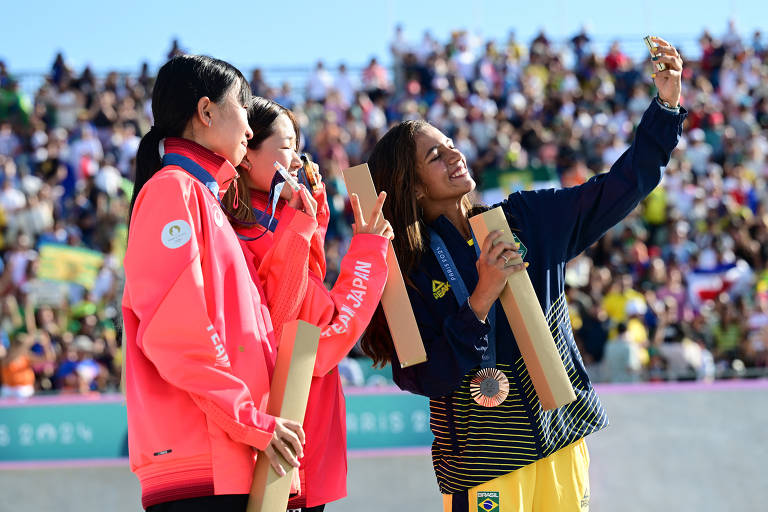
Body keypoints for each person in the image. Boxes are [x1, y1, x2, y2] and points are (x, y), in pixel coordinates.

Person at [362, 38, 686, 511]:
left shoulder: (528, 218)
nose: (455, 155)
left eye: (451, 145)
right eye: (435, 156)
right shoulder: (405, 271)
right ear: (411, 186)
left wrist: (666, 106)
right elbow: (420, 376)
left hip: (561, 435)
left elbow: (620, 187)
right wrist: (480, 298)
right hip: (482, 460)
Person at [122, 55, 304, 512]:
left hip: (231, 455)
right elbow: (173, 331)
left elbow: (272, 329)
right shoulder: (173, 189)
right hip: (202, 465)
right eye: (241, 107)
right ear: (206, 112)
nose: (249, 128)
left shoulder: (204, 198)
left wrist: (302, 225)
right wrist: (249, 422)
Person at [220, 97, 392, 511]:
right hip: (287, 426)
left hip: (297, 425)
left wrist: (309, 224)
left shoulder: (274, 223)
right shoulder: (246, 235)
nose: (296, 160)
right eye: (285, 146)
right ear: (247, 156)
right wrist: (367, 253)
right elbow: (310, 338)